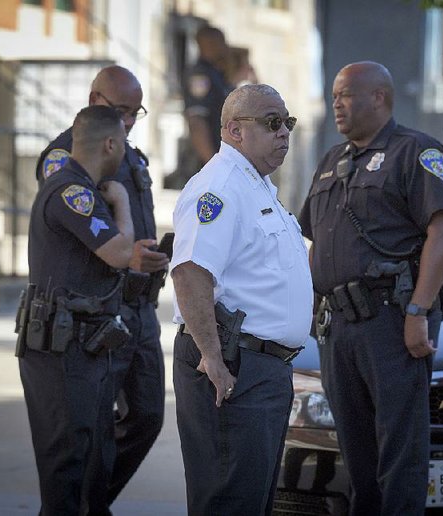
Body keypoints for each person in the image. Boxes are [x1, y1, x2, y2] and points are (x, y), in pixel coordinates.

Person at [299, 61, 443, 514]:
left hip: (390, 319)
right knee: (356, 454)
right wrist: (310, 310)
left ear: (379, 97)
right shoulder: (332, 161)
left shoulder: (417, 152)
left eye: (345, 95)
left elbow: (441, 234)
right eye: (333, 97)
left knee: (399, 453)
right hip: (338, 327)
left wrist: (418, 311)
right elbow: (317, 241)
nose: (336, 106)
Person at [170, 83, 313, 514]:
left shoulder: (257, 186)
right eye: (272, 123)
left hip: (263, 369)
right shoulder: (218, 187)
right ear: (234, 129)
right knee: (229, 500)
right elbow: (191, 273)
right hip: (233, 366)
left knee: (252, 501)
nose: (284, 133)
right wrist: (212, 358)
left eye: (287, 122)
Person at [34, 65, 168, 509]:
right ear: (95, 103)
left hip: (138, 306)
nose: (129, 122)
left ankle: (90, 503)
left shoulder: (130, 156)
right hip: (94, 313)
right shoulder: (67, 159)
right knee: (82, 438)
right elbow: (102, 241)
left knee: (146, 417)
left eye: (136, 112)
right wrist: (127, 250)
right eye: (121, 111)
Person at [18, 105, 134, 515]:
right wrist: (122, 202)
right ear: (110, 144)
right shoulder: (72, 191)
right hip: (61, 348)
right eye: (123, 142)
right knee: (67, 470)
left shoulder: (76, 187)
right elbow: (120, 253)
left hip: (81, 345)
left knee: (91, 467)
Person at [166, 25, 233, 189]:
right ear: (209, 44)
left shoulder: (217, 74)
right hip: (204, 165)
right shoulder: (200, 75)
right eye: (221, 42)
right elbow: (197, 122)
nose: (225, 47)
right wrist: (213, 164)